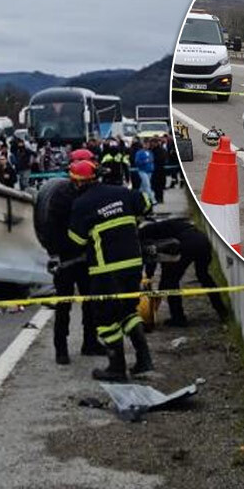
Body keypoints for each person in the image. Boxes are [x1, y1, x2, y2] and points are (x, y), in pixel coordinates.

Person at [67, 159, 153, 382]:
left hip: (106, 271)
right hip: (134, 265)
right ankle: (144, 360)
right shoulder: (121, 191)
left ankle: (116, 368)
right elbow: (146, 203)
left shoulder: (81, 204)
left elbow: (76, 240)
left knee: (105, 318)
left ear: (76, 182)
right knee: (128, 311)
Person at [44, 167, 102, 365]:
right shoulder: (61, 199)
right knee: (64, 305)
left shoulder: (84, 195)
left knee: (91, 302)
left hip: (86, 257)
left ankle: (90, 343)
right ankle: (61, 349)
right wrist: (57, 254)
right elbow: (54, 230)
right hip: (66, 258)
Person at [139, 218, 229, 325]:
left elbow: (152, 260)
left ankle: (178, 318)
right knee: (204, 276)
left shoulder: (144, 235)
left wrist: (150, 278)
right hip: (203, 241)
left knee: (171, 281)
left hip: (187, 244)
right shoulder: (165, 226)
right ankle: (222, 311)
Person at [134, 139, 155, 203]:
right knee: (147, 185)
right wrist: (144, 161)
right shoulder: (139, 153)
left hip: (149, 171)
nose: (147, 146)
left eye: (148, 144)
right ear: (143, 145)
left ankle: (138, 198)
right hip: (142, 171)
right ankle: (152, 199)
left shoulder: (150, 152)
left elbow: (152, 160)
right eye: (145, 144)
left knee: (143, 187)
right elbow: (137, 161)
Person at [150, 138, 168, 205]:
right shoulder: (153, 150)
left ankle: (160, 198)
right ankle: (157, 198)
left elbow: (162, 159)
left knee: (159, 186)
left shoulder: (159, 150)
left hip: (159, 171)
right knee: (156, 186)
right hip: (156, 171)